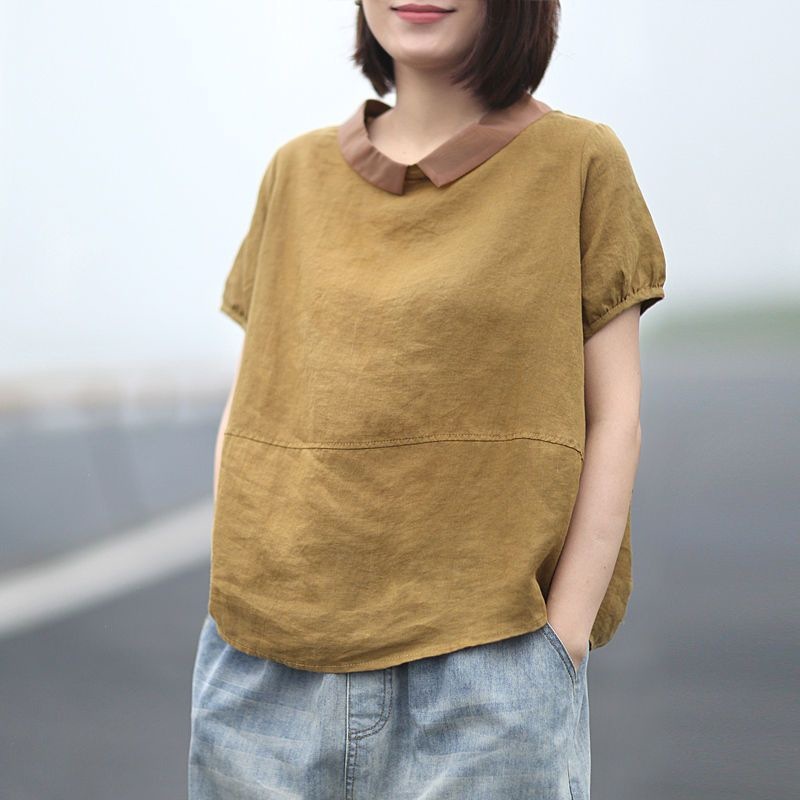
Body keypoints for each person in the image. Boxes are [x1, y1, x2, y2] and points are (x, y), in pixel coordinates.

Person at [188, 1, 667, 798]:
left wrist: (562, 642)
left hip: (490, 673)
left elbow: (615, 417)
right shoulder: (294, 174)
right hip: (266, 672)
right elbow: (251, 408)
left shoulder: (580, 162)